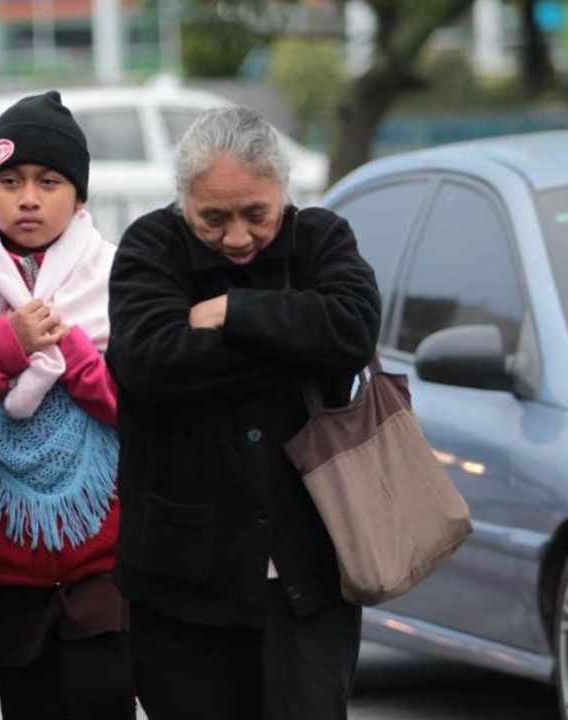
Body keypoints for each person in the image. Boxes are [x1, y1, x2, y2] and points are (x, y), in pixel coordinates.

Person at [105, 107, 382, 720]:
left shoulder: (321, 239)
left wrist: (230, 313)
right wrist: (295, 340)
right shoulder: (151, 247)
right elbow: (152, 360)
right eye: (214, 218)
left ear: (283, 190)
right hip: (183, 580)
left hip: (309, 570)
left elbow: (353, 329)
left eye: (256, 214)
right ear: (183, 201)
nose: (237, 237)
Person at [0, 91, 134, 720]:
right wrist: (10, 346)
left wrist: (75, 354)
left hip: (103, 559)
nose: (28, 197)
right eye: (9, 181)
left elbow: (138, 410)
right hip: (8, 563)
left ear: (80, 194)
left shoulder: (115, 278)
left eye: (49, 180)